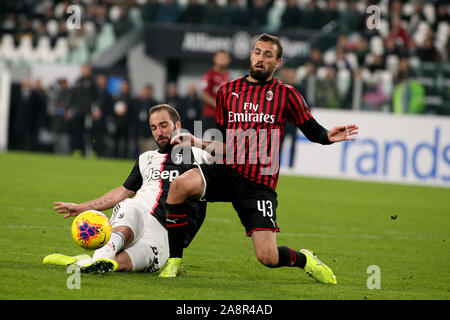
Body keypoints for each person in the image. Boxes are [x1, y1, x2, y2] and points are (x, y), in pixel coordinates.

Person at [160, 33, 358, 283]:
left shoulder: (287, 94)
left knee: (268, 257)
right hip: (226, 170)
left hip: (258, 183)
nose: (260, 58)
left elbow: (312, 129)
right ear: (251, 55)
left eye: (268, 55)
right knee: (178, 186)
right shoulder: (228, 91)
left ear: (278, 62)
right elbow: (224, 145)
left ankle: (305, 259)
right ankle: (174, 261)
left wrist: (328, 136)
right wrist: (196, 142)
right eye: (257, 52)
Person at [44, 104, 212, 274]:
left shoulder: (197, 154)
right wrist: (81, 207)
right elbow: (123, 192)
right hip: (137, 214)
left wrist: (196, 141)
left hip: (166, 236)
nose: (158, 132)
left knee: (122, 264)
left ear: (177, 126)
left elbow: (235, 153)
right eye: (154, 127)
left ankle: (87, 262)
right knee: (129, 206)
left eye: (163, 125)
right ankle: (98, 257)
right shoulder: (146, 158)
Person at [200, 50, 230, 133]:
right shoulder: (209, 75)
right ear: (215, 59)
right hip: (211, 115)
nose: (222, 60)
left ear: (228, 60)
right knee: (209, 143)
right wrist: (218, 105)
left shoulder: (228, 76)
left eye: (224, 58)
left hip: (224, 117)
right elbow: (204, 94)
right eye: (220, 57)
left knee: (223, 143)